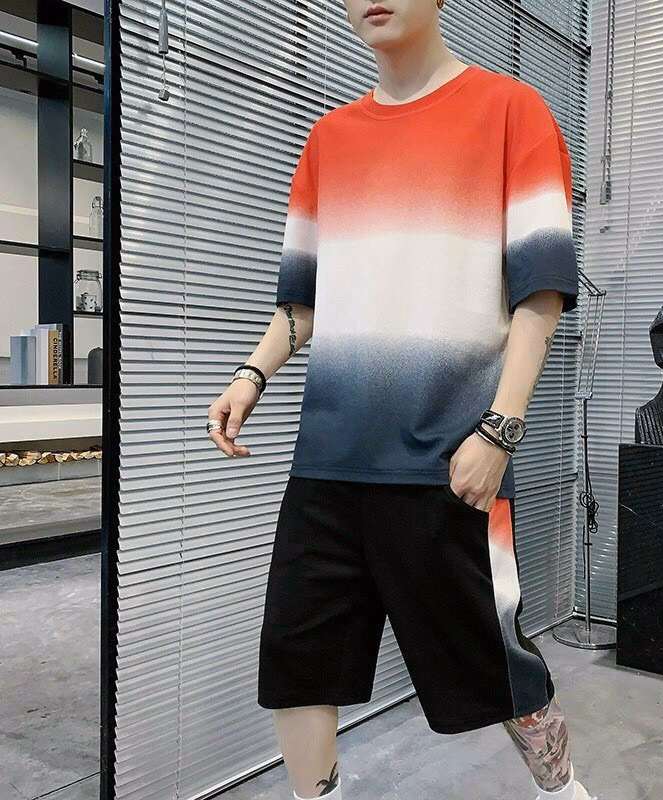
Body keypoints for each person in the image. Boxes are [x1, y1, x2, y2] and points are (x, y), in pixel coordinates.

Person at [206, 2, 596, 799]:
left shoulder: (511, 111)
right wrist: (251, 374)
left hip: (451, 460)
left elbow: (541, 293)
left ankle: (563, 793)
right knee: (297, 661)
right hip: (329, 460)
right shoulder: (329, 139)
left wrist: (500, 431)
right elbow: (304, 301)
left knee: (501, 666)